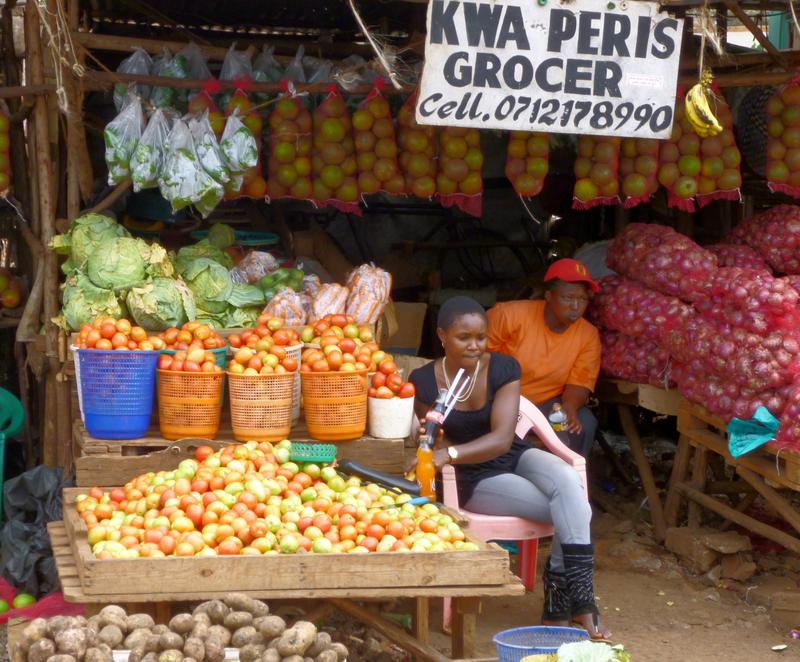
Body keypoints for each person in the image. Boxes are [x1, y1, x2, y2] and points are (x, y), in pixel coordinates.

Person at [409, 296, 610, 640]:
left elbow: (503, 439)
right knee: (573, 506)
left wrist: (449, 453)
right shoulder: (424, 380)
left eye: (481, 337)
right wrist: (430, 441)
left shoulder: (503, 368)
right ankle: (569, 604)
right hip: (475, 477)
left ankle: (576, 600)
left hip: (513, 454)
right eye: (463, 338)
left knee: (567, 482)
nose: (475, 346)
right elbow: (428, 438)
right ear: (442, 335)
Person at [487, 258, 601, 457]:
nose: (576, 306)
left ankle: (569, 483)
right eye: (568, 298)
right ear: (549, 295)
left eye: (582, 299)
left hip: (547, 404)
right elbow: (473, 360)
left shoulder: (588, 335)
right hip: (499, 398)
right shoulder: (509, 315)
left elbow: (581, 381)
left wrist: (570, 407)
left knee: (584, 423)